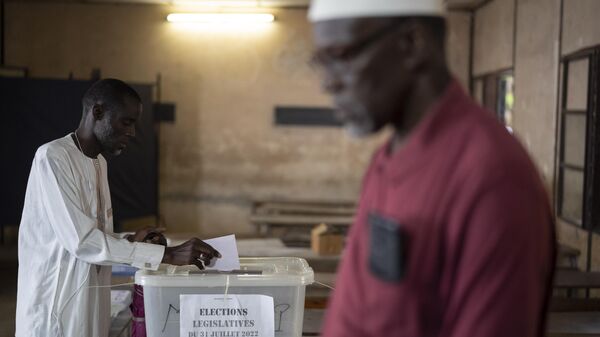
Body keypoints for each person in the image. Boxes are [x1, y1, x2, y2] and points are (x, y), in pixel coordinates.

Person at [308, 1, 555, 336]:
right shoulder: (387, 159)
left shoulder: (491, 179)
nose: (328, 84)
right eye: (320, 63)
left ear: (412, 43)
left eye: (340, 57)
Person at [15, 79, 221, 337]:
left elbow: (92, 233)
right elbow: (81, 242)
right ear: (98, 113)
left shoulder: (99, 163)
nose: (132, 133)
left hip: (90, 301)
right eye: (126, 122)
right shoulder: (53, 157)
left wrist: (131, 240)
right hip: (56, 307)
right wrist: (168, 255)